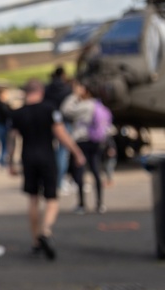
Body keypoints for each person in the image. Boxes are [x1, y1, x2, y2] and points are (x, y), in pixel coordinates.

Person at [9, 78, 85, 261]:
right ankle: (46, 230)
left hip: (28, 157)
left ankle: (35, 241)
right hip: (47, 157)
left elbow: (12, 139)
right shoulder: (49, 109)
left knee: (33, 199)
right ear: (40, 92)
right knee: (51, 199)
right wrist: (76, 152)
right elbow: (61, 134)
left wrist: (9, 161)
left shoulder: (18, 113)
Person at [60, 82, 107, 214]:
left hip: (81, 141)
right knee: (96, 171)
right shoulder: (98, 105)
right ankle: (100, 203)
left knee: (79, 172)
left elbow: (66, 110)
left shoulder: (85, 105)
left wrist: (74, 95)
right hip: (96, 141)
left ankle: (81, 204)